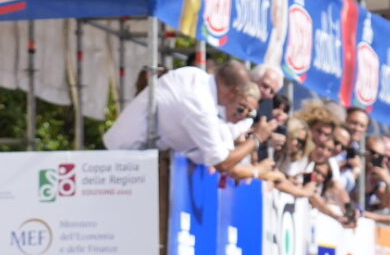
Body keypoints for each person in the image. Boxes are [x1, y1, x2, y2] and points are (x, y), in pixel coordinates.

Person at [104, 60, 276, 177]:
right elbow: (221, 163)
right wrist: (257, 138)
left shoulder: (193, 75)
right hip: (124, 163)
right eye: (239, 102)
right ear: (234, 92)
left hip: (126, 158)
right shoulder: (201, 105)